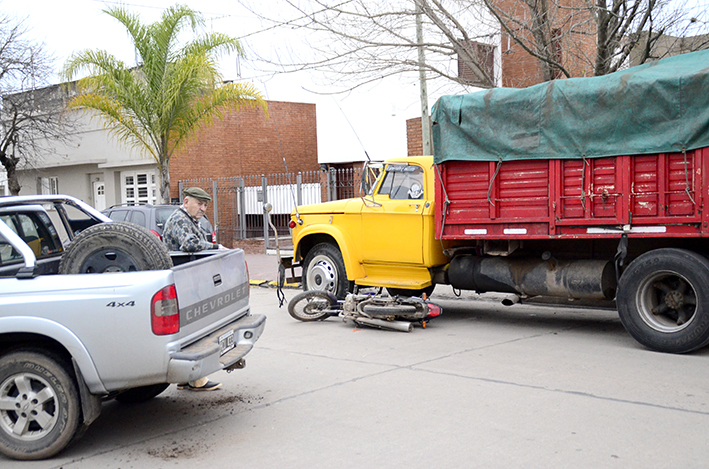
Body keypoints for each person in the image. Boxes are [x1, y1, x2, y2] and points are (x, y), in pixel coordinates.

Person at [163, 187, 222, 391]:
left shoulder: (187, 219)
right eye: (200, 204)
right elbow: (190, 244)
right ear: (186, 201)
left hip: (183, 281)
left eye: (205, 205)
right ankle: (197, 380)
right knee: (196, 331)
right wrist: (216, 247)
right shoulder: (180, 219)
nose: (203, 208)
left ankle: (186, 379)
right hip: (183, 281)